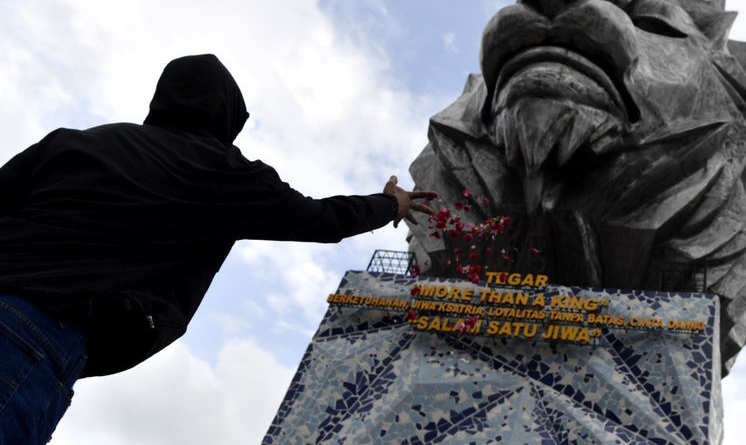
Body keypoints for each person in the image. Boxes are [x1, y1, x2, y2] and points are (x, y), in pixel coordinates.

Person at [0, 53, 436, 444]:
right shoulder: (223, 173)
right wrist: (390, 204)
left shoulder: (74, 142)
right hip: (36, 334)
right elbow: (323, 218)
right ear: (227, 116)